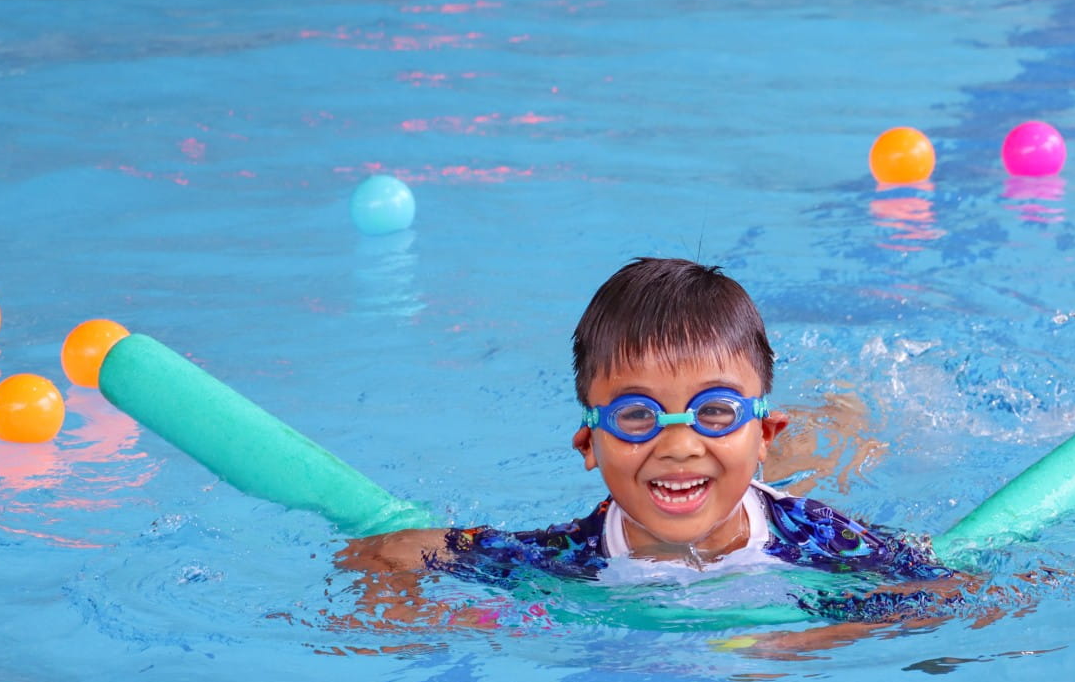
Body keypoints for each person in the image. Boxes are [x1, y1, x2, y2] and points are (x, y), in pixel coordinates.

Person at [337, 257, 957, 613]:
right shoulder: (568, 560)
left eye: (712, 410)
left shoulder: (817, 538)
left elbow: (954, 593)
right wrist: (438, 623)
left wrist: (799, 644)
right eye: (637, 415)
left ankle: (839, 415)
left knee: (841, 451)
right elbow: (382, 552)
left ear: (766, 431)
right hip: (729, 471)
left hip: (767, 485)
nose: (677, 442)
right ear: (589, 446)